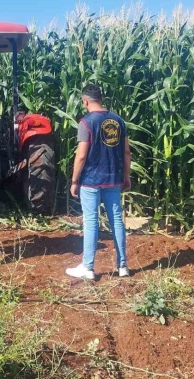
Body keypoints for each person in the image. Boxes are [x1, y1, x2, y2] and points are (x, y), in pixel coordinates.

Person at [66, 85, 132, 280]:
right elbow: (127, 152)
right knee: (117, 221)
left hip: (91, 181)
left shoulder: (86, 123)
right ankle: (123, 266)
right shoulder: (118, 121)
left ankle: (88, 267)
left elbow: (81, 155)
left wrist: (74, 180)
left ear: (85, 101)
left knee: (91, 221)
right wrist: (126, 176)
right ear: (100, 99)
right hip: (113, 179)